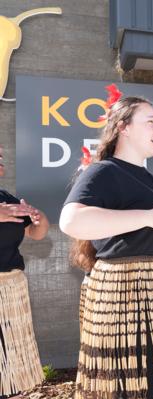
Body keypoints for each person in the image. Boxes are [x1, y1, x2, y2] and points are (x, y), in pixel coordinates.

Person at [60, 96, 153, 398]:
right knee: (137, 384)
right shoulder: (104, 171)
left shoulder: (149, 178)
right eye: (150, 122)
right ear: (123, 128)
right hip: (130, 301)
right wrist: (149, 217)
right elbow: (71, 221)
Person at [0, 145, 49, 398]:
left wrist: (40, 220)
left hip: (9, 290)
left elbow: (34, 234)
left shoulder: (7, 198)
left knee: (9, 357)